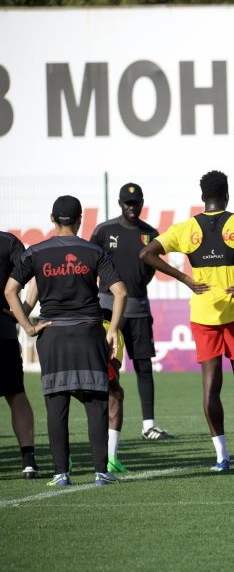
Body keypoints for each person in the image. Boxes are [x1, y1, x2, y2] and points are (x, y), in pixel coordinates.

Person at [140, 171, 234, 472]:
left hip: (202, 315)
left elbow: (146, 253)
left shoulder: (186, 228)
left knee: (210, 386)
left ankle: (222, 458)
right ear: (227, 195)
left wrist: (185, 279)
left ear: (202, 197)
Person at [4, 195, 126, 486]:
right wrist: (112, 330)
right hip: (89, 334)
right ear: (80, 220)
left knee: (56, 404)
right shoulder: (94, 251)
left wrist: (27, 327)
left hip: (53, 336)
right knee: (96, 402)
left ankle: (61, 473)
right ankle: (101, 471)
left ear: (52, 219)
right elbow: (121, 292)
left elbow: (10, 290)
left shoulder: (36, 252)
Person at [91, 183, 172, 474]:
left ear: (141, 203)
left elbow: (149, 270)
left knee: (143, 365)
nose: (132, 207)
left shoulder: (150, 233)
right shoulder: (104, 231)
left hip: (138, 307)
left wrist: (134, 289)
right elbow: (91, 262)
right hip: (107, 307)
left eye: (136, 203)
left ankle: (149, 425)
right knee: (106, 368)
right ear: (120, 203)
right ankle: (104, 424)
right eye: (127, 202)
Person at [0, 231, 39, 478]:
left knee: (16, 393)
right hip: (3, 330)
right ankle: (28, 461)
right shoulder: (8, 242)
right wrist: (23, 310)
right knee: (16, 393)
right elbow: (34, 276)